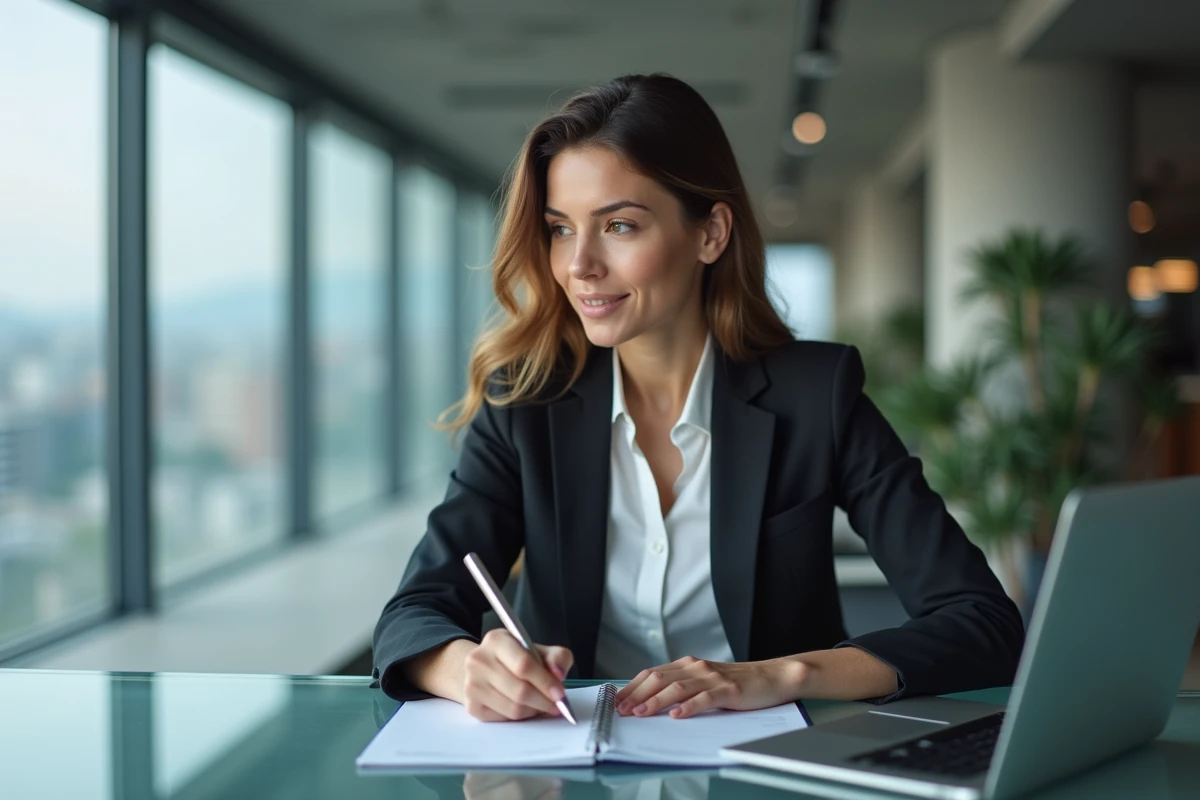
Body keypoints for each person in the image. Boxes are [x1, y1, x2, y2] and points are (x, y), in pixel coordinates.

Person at [371, 73, 1023, 723]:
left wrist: (781, 674)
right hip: (570, 771)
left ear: (710, 234)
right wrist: (468, 669)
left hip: (772, 770)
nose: (579, 265)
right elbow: (412, 614)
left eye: (619, 226)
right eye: (560, 229)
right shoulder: (525, 404)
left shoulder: (815, 395)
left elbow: (982, 621)